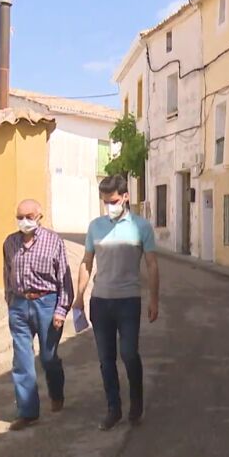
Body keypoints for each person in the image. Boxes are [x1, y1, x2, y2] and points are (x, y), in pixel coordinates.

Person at [73, 175, 159, 431]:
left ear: (125, 197)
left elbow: (152, 264)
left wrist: (154, 299)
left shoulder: (141, 227)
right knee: (105, 359)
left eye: (113, 201)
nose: (109, 206)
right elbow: (86, 261)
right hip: (101, 302)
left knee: (129, 354)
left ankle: (136, 403)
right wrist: (79, 296)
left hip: (128, 301)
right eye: (105, 202)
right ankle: (114, 409)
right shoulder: (95, 227)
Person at [2, 199, 74, 431]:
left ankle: (56, 392)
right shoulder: (10, 243)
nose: (24, 221)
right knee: (22, 360)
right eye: (20, 217)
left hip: (46, 303)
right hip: (20, 304)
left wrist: (61, 310)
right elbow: (7, 273)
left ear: (39, 217)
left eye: (29, 217)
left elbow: (64, 278)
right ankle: (28, 412)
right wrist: (10, 301)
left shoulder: (53, 241)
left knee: (48, 357)